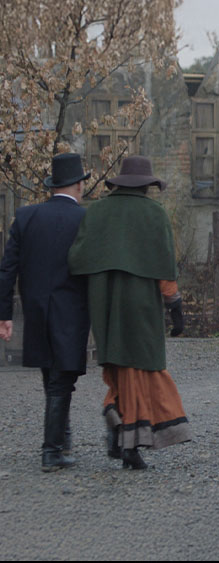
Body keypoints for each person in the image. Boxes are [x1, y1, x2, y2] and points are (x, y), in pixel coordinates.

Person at [68, 155, 191, 470]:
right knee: (143, 366)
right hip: (140, 305)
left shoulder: (97, 212)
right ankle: (128, 441)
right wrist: (175, 305)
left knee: (119, 365)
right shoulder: (154, 213)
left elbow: (77, 259)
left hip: (104, 304)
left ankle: (119, 428)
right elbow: (164, 265)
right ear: (146, 186)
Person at [0, 153, 91, 472]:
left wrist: (4, 314)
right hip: (72, 311)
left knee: (52, 376)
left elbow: (7, 269)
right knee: (61, 380)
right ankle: (51, 451)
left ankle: (63, 439)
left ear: (53, 185)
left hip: (37, 310)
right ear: (79, 185)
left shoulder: (26, 217)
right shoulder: (85, 220)